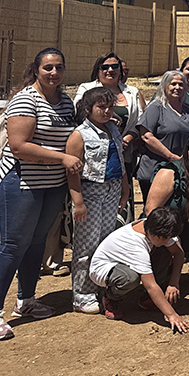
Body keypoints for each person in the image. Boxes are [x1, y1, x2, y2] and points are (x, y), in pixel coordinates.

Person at [0, 48, 79, 341]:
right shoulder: (26, 99)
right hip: (20, 183)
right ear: (36, 70)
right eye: (48, 67)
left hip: (50, 184)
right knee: (13, 244)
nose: (54, 73)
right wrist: (62, 159)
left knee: (36, 242)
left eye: (59, 67)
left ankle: (26, 301)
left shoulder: (64, 101)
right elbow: (19, 146)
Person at [65, 87, 131, 314]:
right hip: (91, 191)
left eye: (109, 107)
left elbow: (120, 161)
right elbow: (73, 171)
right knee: (85, 245)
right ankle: (81, 294)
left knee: (104, 242)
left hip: (112, 190)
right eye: (100, 107)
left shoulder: (113, 128)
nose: (106, 111)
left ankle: (99, 288)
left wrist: (125, 189)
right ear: (87, 109)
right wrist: (78, 202)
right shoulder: (79, 135)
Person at [89, 207, 189, 331]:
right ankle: (110, 298)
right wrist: (172, 315)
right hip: (104, 268)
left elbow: (178, 253)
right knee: (130, 278)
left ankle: (147, 299)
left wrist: (174, 282)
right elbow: (150, 285)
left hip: (125, 263)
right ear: (152, 232)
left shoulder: (155, 228)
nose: (167, 240)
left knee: (165, 250)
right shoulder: (136, 245)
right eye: (164, 238)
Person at [76, 52, 145, 189]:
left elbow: (140, 119)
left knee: (123, 193)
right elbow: (79, 114)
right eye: (105, 67)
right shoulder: (86, 88)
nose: (110, 70)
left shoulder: (132, 92)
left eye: (115, 66)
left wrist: (126, 139)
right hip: (94, 154)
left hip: (124, 152)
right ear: (98, 69)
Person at [136, 70, 189, 193]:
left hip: (182, 169)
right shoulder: (156, 107)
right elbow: (146, 136)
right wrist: (170, 156)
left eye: (181, 84)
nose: (177, 87)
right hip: (155, 168)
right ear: (165, 86)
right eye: (173, 84)